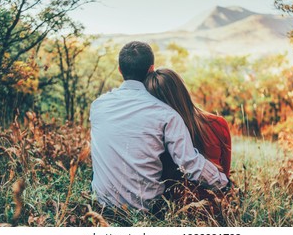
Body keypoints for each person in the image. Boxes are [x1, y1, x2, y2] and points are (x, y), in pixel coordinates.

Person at [90, 41, 228, 213]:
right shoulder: (166, 114)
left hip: (101, 207)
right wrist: (223, 184)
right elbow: (189, 164)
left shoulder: (97, 106)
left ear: (120, 70)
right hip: (146, 210)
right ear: (151, 69)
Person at [144, 68, 232, 198]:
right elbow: (225, 172)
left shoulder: (155, 134)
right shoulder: (218, 124)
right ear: (182, 92)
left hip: (176, 211)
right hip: (217, 206)